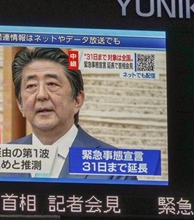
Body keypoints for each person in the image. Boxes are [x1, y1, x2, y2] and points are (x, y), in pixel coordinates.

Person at [10, 47, 118, 179]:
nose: (41, 95)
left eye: (52, 84)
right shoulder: (0, 161)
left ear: (77, 100)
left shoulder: (113, 167)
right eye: (31, 86)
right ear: (20, 104)